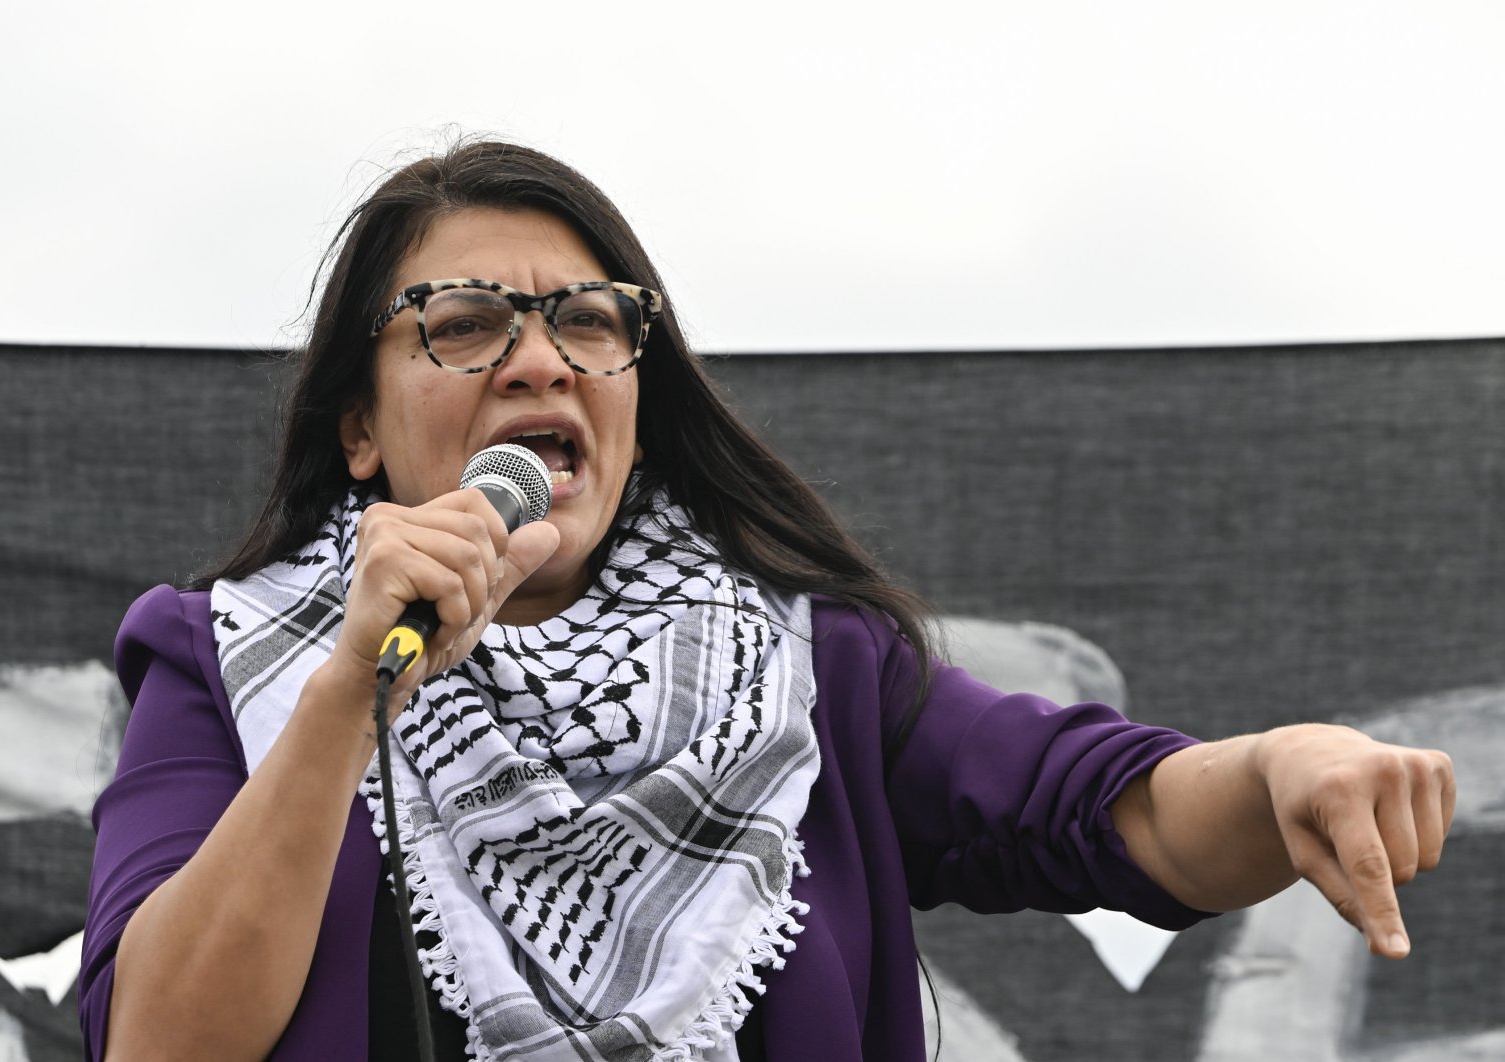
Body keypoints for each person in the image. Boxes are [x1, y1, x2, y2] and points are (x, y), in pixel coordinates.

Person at [80, 139, 1456, 1062]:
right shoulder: (229, 665)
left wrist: (1285, 767)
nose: (540, 360)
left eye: (592, 321)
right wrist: (345, 698)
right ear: (360, 429)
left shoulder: (804, 671)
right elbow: (159, 1038)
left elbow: (1104, 807)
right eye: (462, 321)